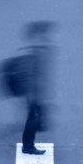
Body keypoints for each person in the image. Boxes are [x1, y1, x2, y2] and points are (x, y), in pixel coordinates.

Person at [20, 21, 55, 155]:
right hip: (33, 93)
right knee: (33, 119)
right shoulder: (32, 52)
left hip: (36, 92)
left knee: (34, 117)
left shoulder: (37, 49)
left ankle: (29, 144)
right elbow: (30, 75)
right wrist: (34, 95)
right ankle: (28, 146)